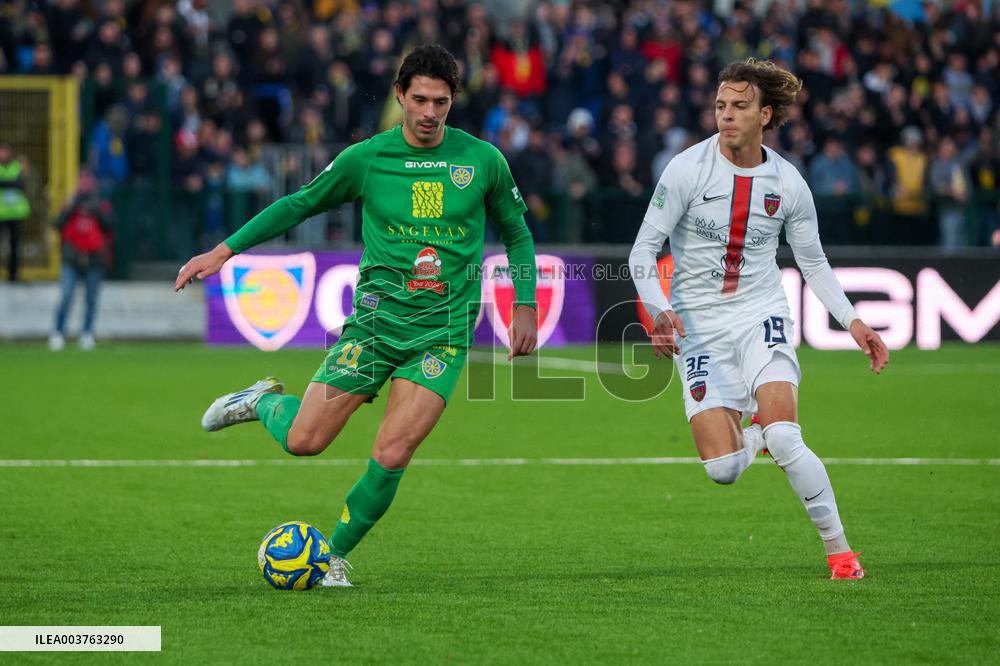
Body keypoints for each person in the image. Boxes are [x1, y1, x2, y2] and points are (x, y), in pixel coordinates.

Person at [175, 45, 538, 587]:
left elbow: (516, 232)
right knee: (305, 441)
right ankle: (262, 400)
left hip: (442, 333)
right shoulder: (365, 159)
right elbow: (299, 203)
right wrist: (223, 250)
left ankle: (332, 556)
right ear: (399, 95)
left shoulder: (483, 160)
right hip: (373, 327)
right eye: (419, 99)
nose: (429, 112)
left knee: (393, 450)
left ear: (452, 101)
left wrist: (525, 301)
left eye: (440, 101)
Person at [629, 58, 889, 581]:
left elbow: (812, 261)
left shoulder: (787, 182)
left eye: (740, 106)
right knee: (723, 470)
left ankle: (840, 553)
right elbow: (642, 251)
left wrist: (853, 321)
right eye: (720, 105)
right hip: (698, 327)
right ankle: (755, 439)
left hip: (759, 314)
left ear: (765, 114)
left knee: (789, 436)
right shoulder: (686, 169)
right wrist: (659, 309)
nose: (726, 116)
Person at [50, 170, 113, 351]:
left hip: (94, 259)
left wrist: (97, 212)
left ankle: (87, 333)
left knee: (91, 299)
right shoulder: (71, 203)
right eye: (82, 181)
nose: (85, 185)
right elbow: (58, 223)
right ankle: (58, 332)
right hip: (72, 257)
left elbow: (109, 226)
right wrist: (72, 206)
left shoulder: (101, 204)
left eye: (88, 181)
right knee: (66, 296)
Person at [0, 141, 30, 281]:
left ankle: (13, 274)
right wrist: (13, 183)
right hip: (1, 213)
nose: (3, 154)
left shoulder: (17, 166)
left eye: (6, 151)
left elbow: (22, 184)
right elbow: (16, 183)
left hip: (16, 213)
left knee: (15, 246)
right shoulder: (17, 169)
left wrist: (5, 182)